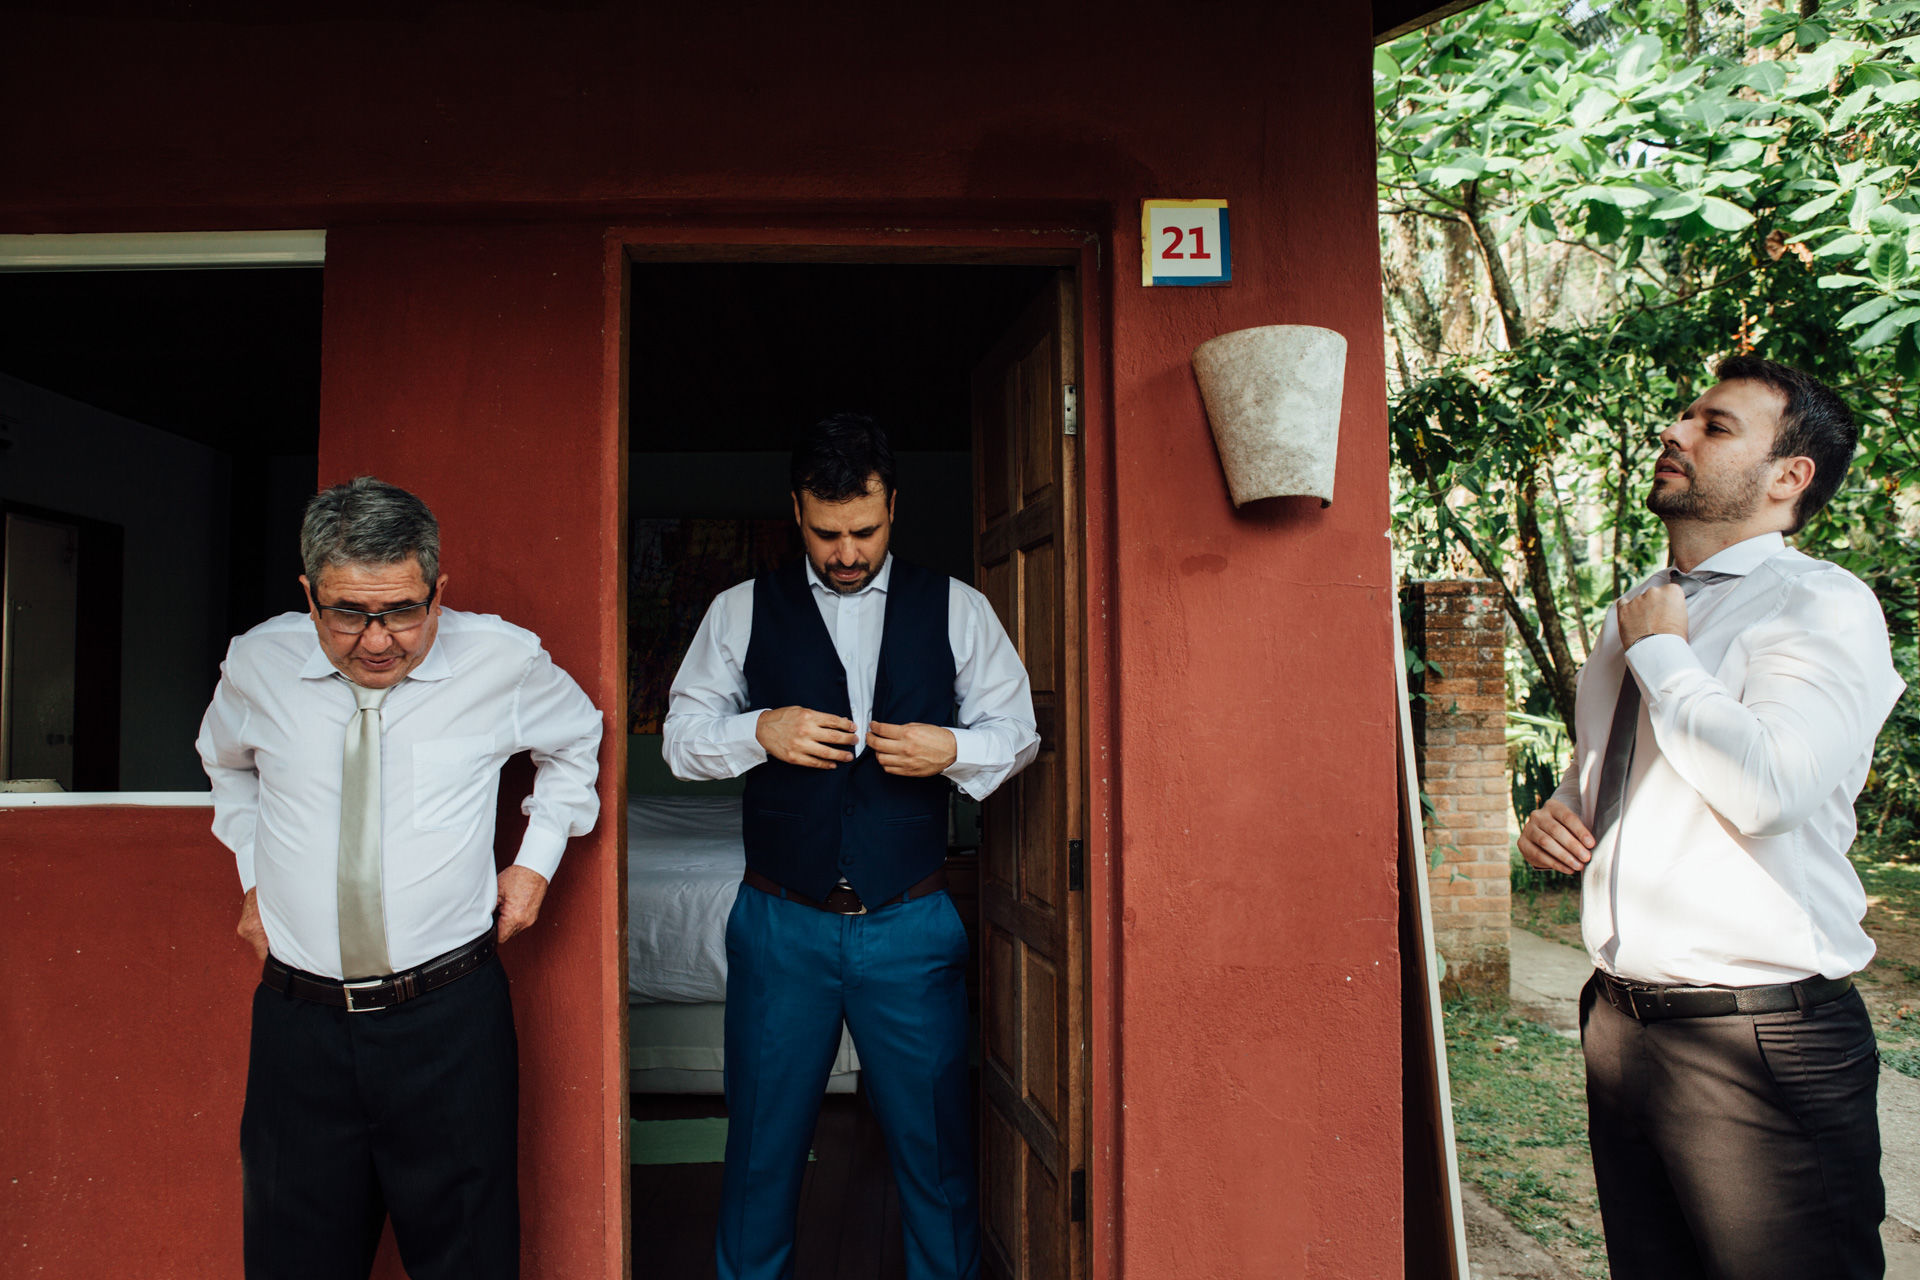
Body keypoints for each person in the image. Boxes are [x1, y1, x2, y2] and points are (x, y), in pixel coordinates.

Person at [1519, 356, 1905, 1279]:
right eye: (1684, 415)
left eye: (1715, 425)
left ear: (1789, 476)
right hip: (1620, 1026)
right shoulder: (1637, 619)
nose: (1676, 431)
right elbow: (1612, 782)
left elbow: (1770, 787)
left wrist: (1663, 654)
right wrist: (1557, 819)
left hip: (1760, 1038)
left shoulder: (1822, 605)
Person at [196, 476, 603, 1280]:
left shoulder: (502, 660)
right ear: (309, 597)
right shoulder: (256, 665)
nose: (379, 641)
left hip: (450, 1021)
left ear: (438, 591)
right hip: (298, 1028)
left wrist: (535, 864)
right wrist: (254, 873)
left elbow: (576, 741)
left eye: (405, 612)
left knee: (468, 1261)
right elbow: (225, 766)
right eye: (349, 613)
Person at [663, 413, 1039, 1280]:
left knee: (936, 1153)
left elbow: (1015, 731)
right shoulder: (740, 610)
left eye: (864, 531)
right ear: (796, 509)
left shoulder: (958, 607)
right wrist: (761, 728)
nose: (845, 551)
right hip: (779, 923)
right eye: (827, 532)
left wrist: (954, 749)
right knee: (760, 1150)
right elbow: (683, 737)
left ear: (894, 508)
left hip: (909, 921)